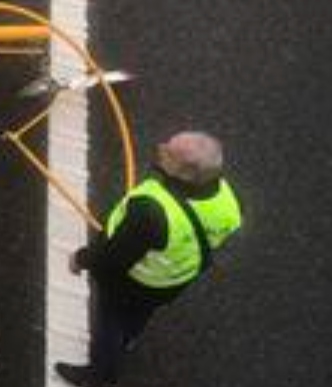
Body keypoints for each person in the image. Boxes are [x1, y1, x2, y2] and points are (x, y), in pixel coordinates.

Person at [58, 131, 243, 386]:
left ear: (184, 173)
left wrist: (81, 259)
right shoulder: (229, 200)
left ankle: (99, 375)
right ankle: (130, 339)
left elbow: (114, 257)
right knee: (140, 313)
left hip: (134, 280)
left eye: (169, 151)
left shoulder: (151, 209)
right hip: (174, 280)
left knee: (110, 322)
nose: (161, 145)